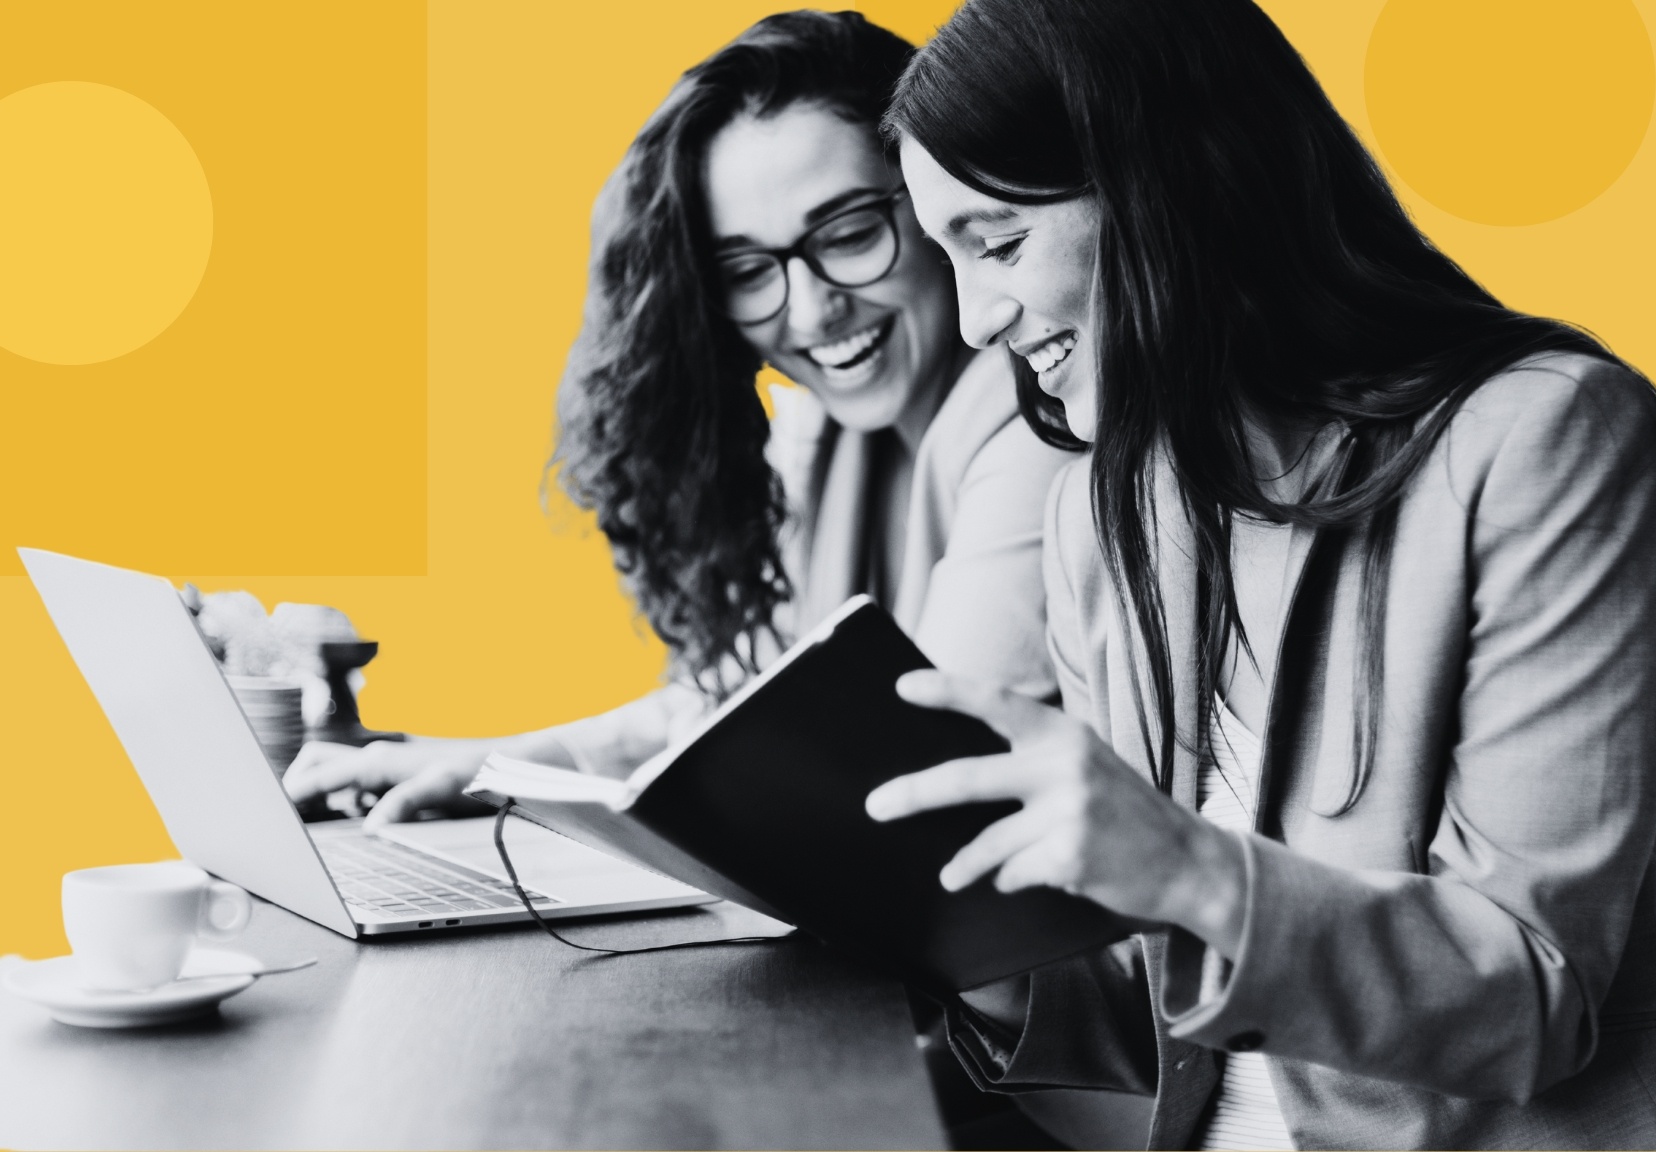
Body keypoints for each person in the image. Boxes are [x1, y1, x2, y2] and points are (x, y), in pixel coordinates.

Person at [864, 0, 1656, 1147]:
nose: (975, 320)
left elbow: (1531, 995)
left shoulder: (1546, 439)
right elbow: (1172, 1009)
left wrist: (1191, 869)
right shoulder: (1109, 516)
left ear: (1171, 186)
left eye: (996, 245)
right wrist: (969, 956)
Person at [285, 10, 1076, 823]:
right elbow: (723, 706)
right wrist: (492, 767)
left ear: (934, 200)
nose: (810, 312)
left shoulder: (1039, 419)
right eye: (745, 269)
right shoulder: (830, 439)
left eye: (847, 234)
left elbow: (910, 770)